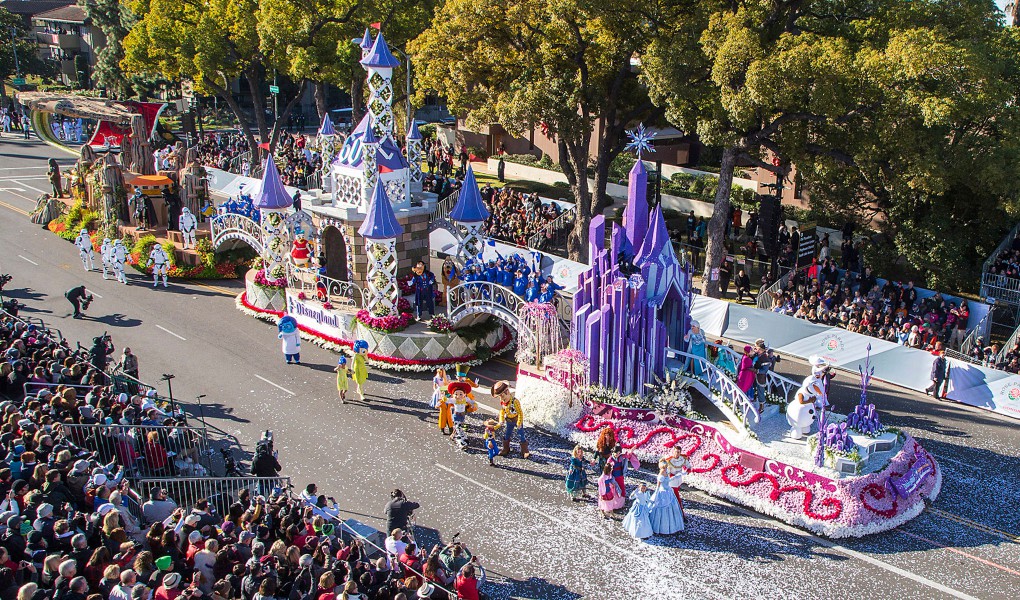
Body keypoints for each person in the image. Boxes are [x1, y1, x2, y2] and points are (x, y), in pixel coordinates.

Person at [492, 381, 529, 458]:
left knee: (521, 434)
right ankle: (506, 448)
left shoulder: (515, 401)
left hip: (516, 419)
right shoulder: (502, 401)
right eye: (500, 396)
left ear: (507, 392)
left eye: (502, 396)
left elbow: (520, 413)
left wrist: (519, 422)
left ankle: (524, 450)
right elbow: (502, 410)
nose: (501, 398)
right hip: (509, 420)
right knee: (507, 434)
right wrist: (501, 419)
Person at [648, 464, 685, 535]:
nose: (665, 469)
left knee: (671, 509)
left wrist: (677, 476)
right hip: (662, 493)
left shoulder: (666, 472)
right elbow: (658, 486)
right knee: (662, 509)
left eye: (665, 467)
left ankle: (673, 526)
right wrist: (656, 493)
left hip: (668, 491)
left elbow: (668, 480)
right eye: (664, 467)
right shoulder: (661, 475)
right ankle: (661, 527)